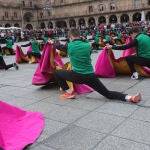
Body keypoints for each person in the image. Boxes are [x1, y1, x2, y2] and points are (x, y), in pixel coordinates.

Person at [49, 28, 141, 103]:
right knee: (107, 93)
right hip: (91, 76)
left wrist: (52, 43)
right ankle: (130, 97)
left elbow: (59, 47)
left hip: (77, 76)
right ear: (79, 36)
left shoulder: (69, 46)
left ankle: (69, 92)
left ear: (71, 37)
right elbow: (86, 52)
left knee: (57, 72)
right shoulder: (87, 46)